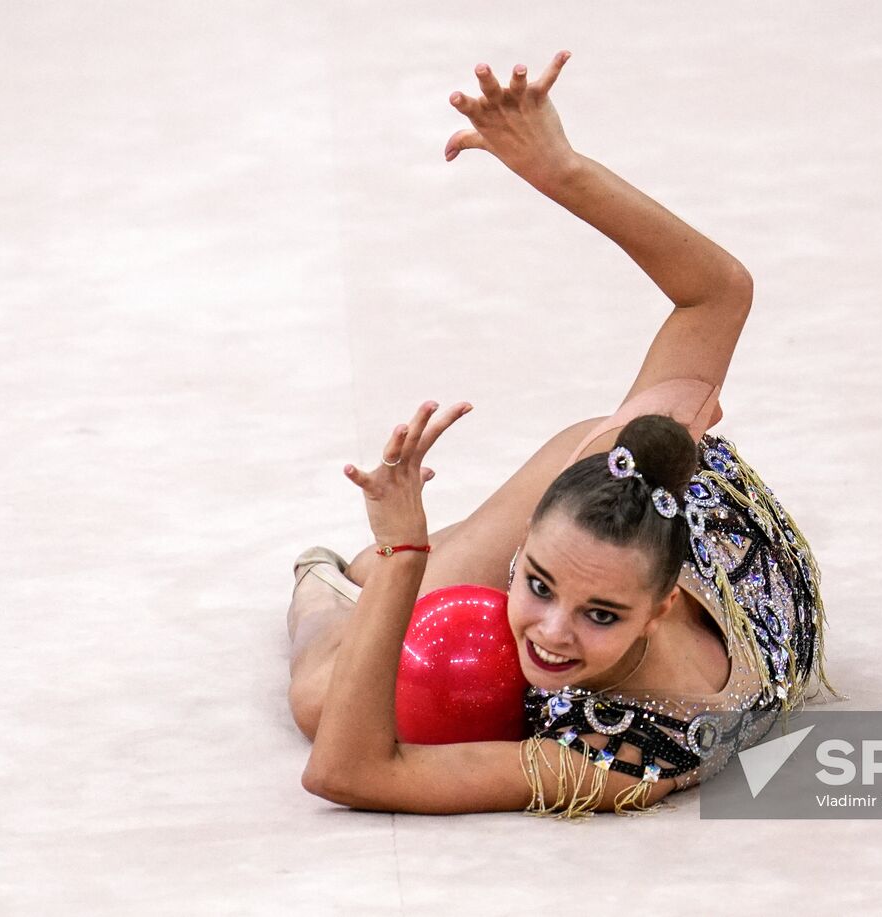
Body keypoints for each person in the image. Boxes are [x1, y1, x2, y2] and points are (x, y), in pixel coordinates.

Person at [286, 50, 840, 817]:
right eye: (535, 582)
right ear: (530, 543)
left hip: (659, 547)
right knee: (369, 625)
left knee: (323, 697)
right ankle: (349, 577)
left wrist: (403, 552)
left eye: (600, 614)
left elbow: (345, 771)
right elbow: (719, 293)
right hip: (648, 483)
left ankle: (331, 577)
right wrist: (559, 168)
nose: (550, 632)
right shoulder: (632, 462)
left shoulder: (624, 755)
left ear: (661, 608)